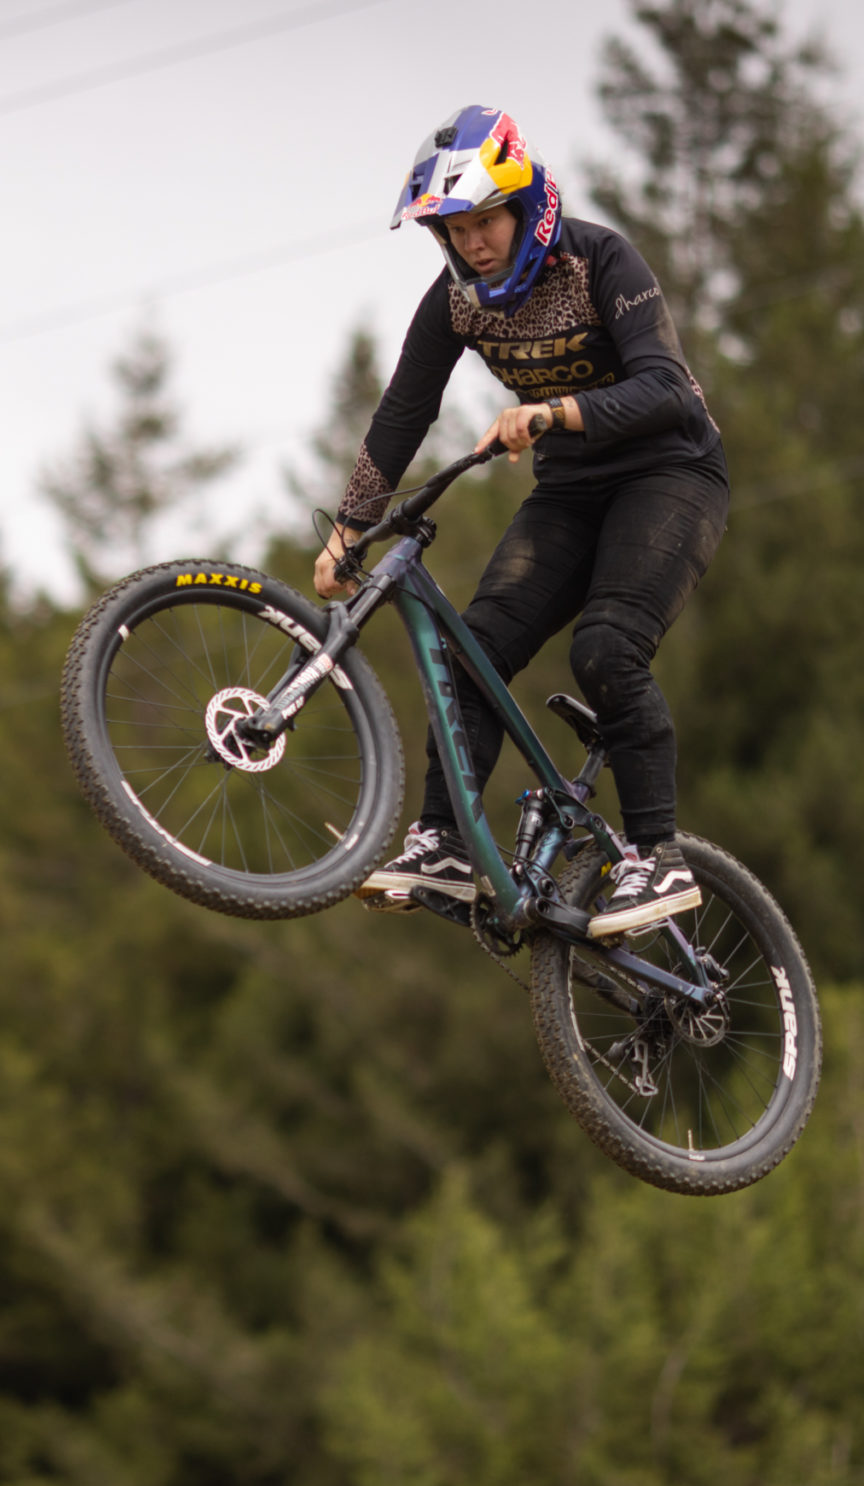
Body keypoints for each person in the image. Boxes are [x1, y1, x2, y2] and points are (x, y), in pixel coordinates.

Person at [319, 104, 726, 939]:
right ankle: (447, 843)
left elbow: (666, 388)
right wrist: (348, 528)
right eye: (455, 229)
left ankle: (661, 858)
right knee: (474, 649)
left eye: (485, 220)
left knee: (605, 648)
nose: (473, 242)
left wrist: (556, 412)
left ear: (525, 204)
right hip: (572, 491)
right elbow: (403, 414)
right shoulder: (457, 304)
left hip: (670, 473)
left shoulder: (602, 259)